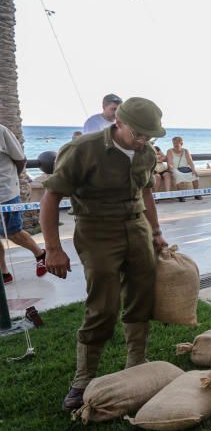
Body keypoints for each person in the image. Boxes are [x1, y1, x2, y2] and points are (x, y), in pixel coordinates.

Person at [41, 97, 169, 411]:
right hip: (96, 230)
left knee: (142, 296)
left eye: (148, 136)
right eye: (138, 134)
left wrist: (155, 232)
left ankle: (136, 362)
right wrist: (53, 250)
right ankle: (84, 377)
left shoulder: (146, 152)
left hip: (136, 228)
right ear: (118, 123)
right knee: (103, 304)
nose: (143, 141)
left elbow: (147, 192)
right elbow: (51, 197)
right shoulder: (83, 149)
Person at [0, 123, 48, 284]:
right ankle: (4, 273)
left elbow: (20, 159)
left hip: (5, 192)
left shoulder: (1, 130)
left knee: (14, 232)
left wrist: (12, 179)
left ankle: (40, 254)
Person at [166, 136, 202, 202]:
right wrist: (171, 168)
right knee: (178, 174)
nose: (175, 145)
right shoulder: (169, 151)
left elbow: (190, 161)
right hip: (175, 168)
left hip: (185, 168)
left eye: (177, 144)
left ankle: (196, 193)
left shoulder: (186, 151)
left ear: (181, 144)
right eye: (174, 143)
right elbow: (170, 162)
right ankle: (181, 195)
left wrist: (193, 169)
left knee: (195, 175)